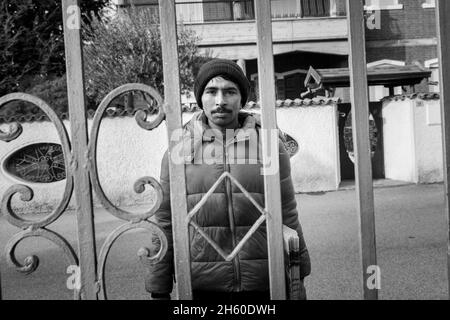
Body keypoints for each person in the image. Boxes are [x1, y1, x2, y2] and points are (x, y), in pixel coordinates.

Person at [146, 59, 310, 301]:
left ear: (242, 98)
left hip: (264, 282)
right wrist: (159, 285)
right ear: (200, 98)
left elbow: (287, 212)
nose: (220, 101)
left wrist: (299, 272)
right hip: (202, 285)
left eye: (230, 91)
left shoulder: (268, 144)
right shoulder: (180, 148)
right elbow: (165, 220)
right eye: (211, 91)